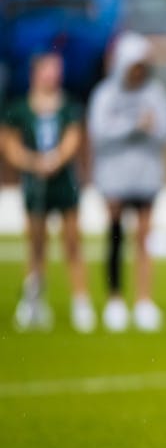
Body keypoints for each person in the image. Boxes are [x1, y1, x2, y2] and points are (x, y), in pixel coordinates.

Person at [87, 31, 166, 332]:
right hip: (114, 177)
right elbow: (99, 133)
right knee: (115, 238)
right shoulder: (105, 94)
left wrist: (151, 128)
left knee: (143, 240)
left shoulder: (155, 92)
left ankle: (144, 300)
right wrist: (132, 126)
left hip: (146, 176)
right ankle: (114, 300)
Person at [1, 51, 95, 332]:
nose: (54, 75)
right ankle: (33, 302)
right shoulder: (20, 108)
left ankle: (81, 301)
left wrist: (55, 158)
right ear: (36, 73)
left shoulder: (68, 106)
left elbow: (73, 138)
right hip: (35, 183)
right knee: (36, 244)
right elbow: (10, 145)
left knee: (72, 241)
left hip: (63, 182)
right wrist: (32, 162)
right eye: (49, 70)